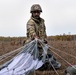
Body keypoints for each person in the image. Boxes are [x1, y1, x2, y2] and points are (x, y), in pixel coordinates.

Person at [26, 4, 61, 70]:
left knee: (50, 58)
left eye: (38, 12)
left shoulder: (42, 22)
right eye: (35, 12)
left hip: (42, 45)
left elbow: (44, 32)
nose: (36, 14)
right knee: (34, 62)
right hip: (33, 46)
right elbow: (31, 31)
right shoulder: (30, 22)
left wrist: (44, 40)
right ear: (32, 13)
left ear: (40, 12)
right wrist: (35, 37)